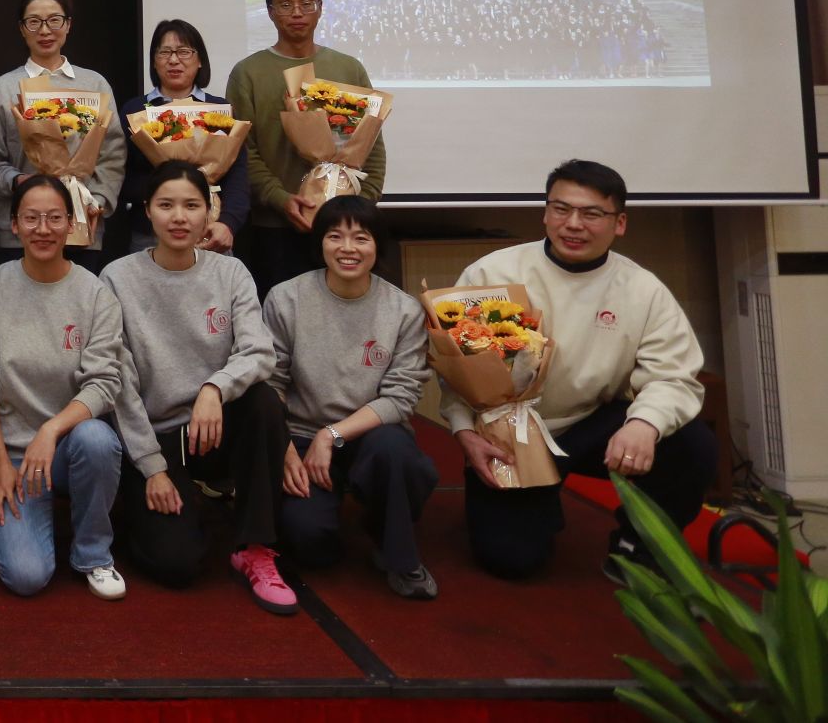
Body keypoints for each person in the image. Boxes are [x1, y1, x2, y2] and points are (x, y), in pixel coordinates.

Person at [441, 159, 716, 583]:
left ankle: (637, 546)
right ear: (545, 213)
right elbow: (457, 373)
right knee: (511, 560)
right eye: (561, 209)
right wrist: (464, 433)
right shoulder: (493, 273)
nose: (573, 224)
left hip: (591, 425)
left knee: (691, 444)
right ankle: (534, 504)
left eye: (592, 213)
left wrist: (644, 423)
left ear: (619, 223)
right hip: (510, 436)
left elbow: (674, 376)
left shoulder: (642, 289)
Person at [97, 162, 295, 614]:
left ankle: (255, 547)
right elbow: (119, 384)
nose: (179, 217)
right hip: (158, 436)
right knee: (177, 564)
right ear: (147, 210)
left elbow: (259, 352)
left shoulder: (231, 273)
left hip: (215, 425)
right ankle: (158, 505)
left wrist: (214, 388)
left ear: (210, 212)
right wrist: (152, 468)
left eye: (191, 206)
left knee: (263, 401)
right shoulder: (117, 278)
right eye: (166, 205)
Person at [265, 195, 438, 599]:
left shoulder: (404, 310)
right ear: (319, 243)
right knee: (310, 541)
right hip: (300, 435)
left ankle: (398, 555)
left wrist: (331, 435)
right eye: (335, 236)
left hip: (371, 435)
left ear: (378, 245)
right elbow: (270, 383)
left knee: (398, 454)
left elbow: (400, 398)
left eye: (361, 238)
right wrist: (285, 448)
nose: (348, 248)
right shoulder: (286, 298)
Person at [0, 175, 126, 599]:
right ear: (14, 224)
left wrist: (51, 431)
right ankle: (31, 515)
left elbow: (104, 383)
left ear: (71, 224)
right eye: (31, 218)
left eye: (54, 218)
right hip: (14, 455)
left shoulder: (95, 293)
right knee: (26, 577)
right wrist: (0, 462)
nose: (43, 229)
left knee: (98, 439)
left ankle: (93, 552)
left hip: (70, 447)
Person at [226, 0, 386, 299]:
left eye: (306, 3)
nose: (297, 13)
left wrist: (360, 207)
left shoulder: (348, 67)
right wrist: (281, 199)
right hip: (274, 227)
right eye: (285, 5)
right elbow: (242, 151)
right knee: (278, 317)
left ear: (321, 7)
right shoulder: (248, 73)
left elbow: (372, 143)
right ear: (270, 12)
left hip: (343, 230)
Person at [0, 0, 125, 274]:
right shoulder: (3, 89)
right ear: (22, 29)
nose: (45, 30)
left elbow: (113, 155)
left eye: (54, 20)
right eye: (34, 22)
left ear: (68, 25)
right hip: (22, 231)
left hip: (83, 223)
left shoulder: (94, 84)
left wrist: (97, 202)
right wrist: (20, 181)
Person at [116, 19, 252, 255]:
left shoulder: (219, 109)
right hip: (150, 233)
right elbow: (121, 175)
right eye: (164, 52)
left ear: (200, 60)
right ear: (154, 61)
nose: (173, 60)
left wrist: (228, 223)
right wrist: (170, 185)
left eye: (184, 51)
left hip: (211, 229)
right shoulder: (135, 110)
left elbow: (238, 175)